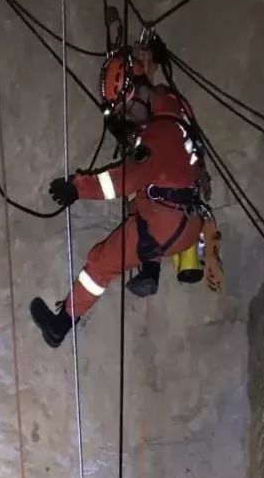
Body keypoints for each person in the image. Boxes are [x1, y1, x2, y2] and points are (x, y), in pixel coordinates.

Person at [30, 47, 213, 349]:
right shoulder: (173, 104)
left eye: (126, 110)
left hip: (165, 226)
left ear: (135, 94)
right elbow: (151, 92)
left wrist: (76, 187)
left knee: (101, 261)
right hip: (190, 219)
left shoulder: (157, 136)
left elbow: (119, 180)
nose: (128, 120)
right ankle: (150, 268)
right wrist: (145, 67)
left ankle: (59, 326)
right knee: (141, 200)